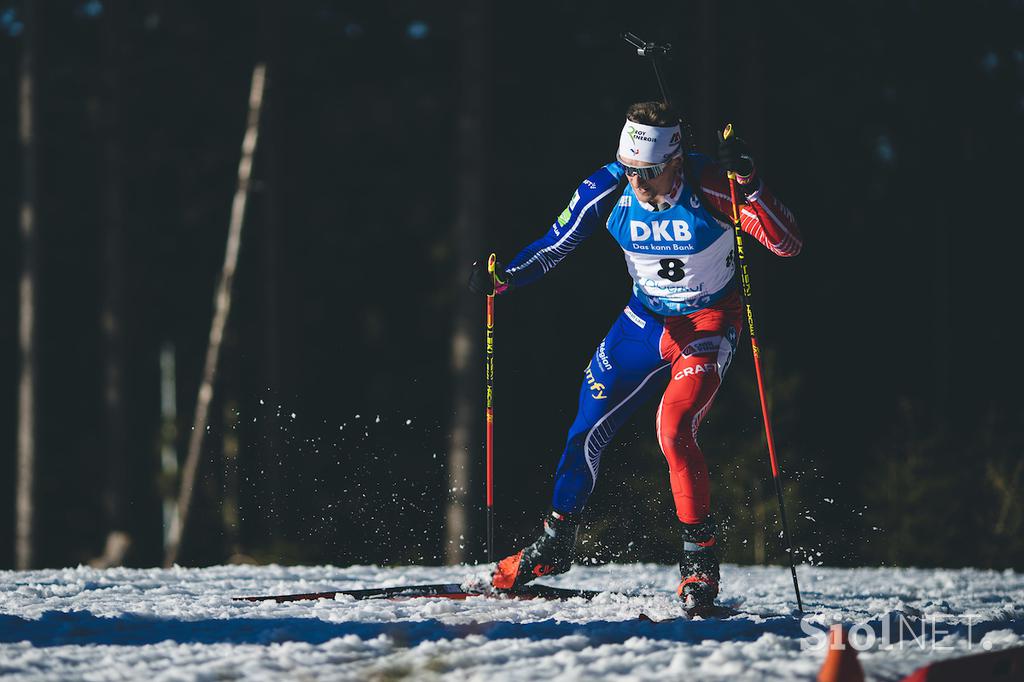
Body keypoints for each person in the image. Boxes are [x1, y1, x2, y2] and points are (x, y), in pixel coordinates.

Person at [468, 101, 802, 608]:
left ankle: (699, 565)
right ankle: (556, 542)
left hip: (708, 322)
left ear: (675, 160)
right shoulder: (609, 186)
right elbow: (556, 243)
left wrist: (750, 183)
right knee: (586, 422)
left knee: (674, 426)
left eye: (648, 173)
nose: (638, 184)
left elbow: (787, 244)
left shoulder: (711, 184)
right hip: (644, 322)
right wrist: (506, 277)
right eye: (630, 170)